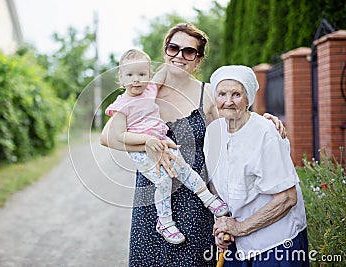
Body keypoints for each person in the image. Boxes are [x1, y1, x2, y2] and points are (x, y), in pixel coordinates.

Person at [100, 23, 285, 266]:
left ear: (198, 60)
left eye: (189, 51)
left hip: (195, 201)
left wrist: (265, 122)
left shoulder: (207, 94)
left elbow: (236, 129)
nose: (179, 56)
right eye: (173, 48)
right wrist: (148, 144)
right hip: (154, 197)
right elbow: (108, 137)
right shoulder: (144, 90)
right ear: (165, 51)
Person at [105, 48, 229, 245]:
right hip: (141, 149)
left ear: (149, 75)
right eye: (129, 75)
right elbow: (118, 135)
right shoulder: (121, 105)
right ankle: (164, 221)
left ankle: (209, 200)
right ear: (120, 78)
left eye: (142, 74)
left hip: (161, 143)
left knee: (183, 168)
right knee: (163, 180)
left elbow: (167, 66)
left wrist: (176, 54)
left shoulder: (151, 90)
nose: (136, 79)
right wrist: (146, 141)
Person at [205, 65, 309, 266]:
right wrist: (221, 224)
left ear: (248, 99)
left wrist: (240, 228)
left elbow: (287, 198)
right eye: (222, 94)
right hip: (235, 241)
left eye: (236, 94)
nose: (228, 101)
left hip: (275, 243)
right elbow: (214, 186)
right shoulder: (213, 132)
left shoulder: (265, 132)